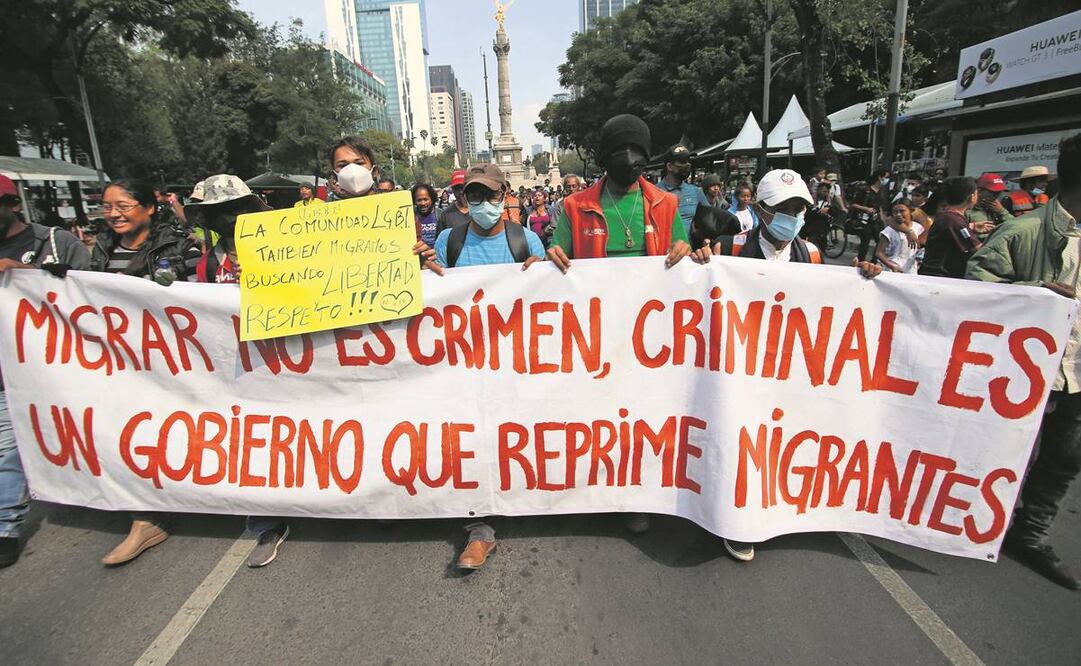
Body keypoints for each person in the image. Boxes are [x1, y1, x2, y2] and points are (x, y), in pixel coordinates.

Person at [696, 170, 880, 564]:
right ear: (760, 210)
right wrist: (699, 263)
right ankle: (736, 522)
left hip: (785, 366)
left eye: (799, 208)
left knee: (774, 441)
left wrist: (866, 282)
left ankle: (771, 509)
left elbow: (828, 305)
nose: (793, 216)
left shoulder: (810, 254)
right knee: (737, 440)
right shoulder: (728, 249)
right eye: (783, 208)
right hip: (737, 365)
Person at [965, 132, 1081, 589]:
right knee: (995, 449)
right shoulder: (1024, 231)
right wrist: (1026, 298)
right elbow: (974, 292)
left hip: (1074, 373)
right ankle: (964, 517)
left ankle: (1030, 535)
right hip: (1018, 377)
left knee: (1066, 456)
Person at [425, 164, 546, 570]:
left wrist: (548, 271)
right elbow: (433, 296)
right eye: (472, 196)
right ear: (463, 201)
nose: (481, 203)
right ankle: (480, 527)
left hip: (516, 363)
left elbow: (554, 302)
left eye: (489, 195)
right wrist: (422, 271)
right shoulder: (448, 241)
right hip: (462, 364)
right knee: (470, 442)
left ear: (504, 195)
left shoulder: (525, 240)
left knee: (512, 437)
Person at [90, 179, 202, 566]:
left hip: (175, 358)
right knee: (131, 430)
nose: (114, 214)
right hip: (123, 362)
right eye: (107, 207)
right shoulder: (102, 249)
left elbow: (200, 301)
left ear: (149, 208)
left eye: (123, 205)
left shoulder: (178, 246)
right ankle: (146, 518)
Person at [0, 174, 91, 568]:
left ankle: (5, 526)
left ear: (12, 205)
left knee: (8, 451)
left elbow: (90, 291)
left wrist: (31, 277)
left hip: (47, 367)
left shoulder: (56, 243)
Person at [918, 177, 992, 279]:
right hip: (940, 278)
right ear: (972, 197)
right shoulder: (952, 219)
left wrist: (971, 227)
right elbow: (978, 249)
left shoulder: (949, 217)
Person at [656, 142, 709, 234]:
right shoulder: (653, 192)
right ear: (669, 166)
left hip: (690, 247)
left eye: (688, 161)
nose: (687, 165)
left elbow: (709, 219)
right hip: (663, 247)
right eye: (682, 161)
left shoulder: (696, 192)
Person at [847, 169, 890, 262]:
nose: (887, 180)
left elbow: (880, 207)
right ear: (879, 177)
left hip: (876, 221)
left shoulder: (881, 192)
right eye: (886, 177)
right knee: (865, 243)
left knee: (880, 241)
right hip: (865, 221)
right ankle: (860, 262)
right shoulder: (865, 190)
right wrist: (866, 209)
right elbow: (854, 204)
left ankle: (874, 261)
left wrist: (882, 220)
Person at [875, 199, 924, 274]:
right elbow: (879, 253)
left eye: (902, 211)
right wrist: (892, 265)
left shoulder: (918, 228)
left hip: (911, 270)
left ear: (911, 210)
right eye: (895, 212)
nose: (898, 214)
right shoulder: (889, 231)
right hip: (892, 270)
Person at [436, 169, 470, 234]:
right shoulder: (446, 215)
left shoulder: (479, 211)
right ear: (453, 190)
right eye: (457, 189)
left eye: (463, 187)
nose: (461, 192)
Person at [412, 183, 439, 248]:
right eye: (419, 200)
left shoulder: (441, 215)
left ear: (432, 199)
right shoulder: (411, 216)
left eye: (425, 199)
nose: (423, 203)